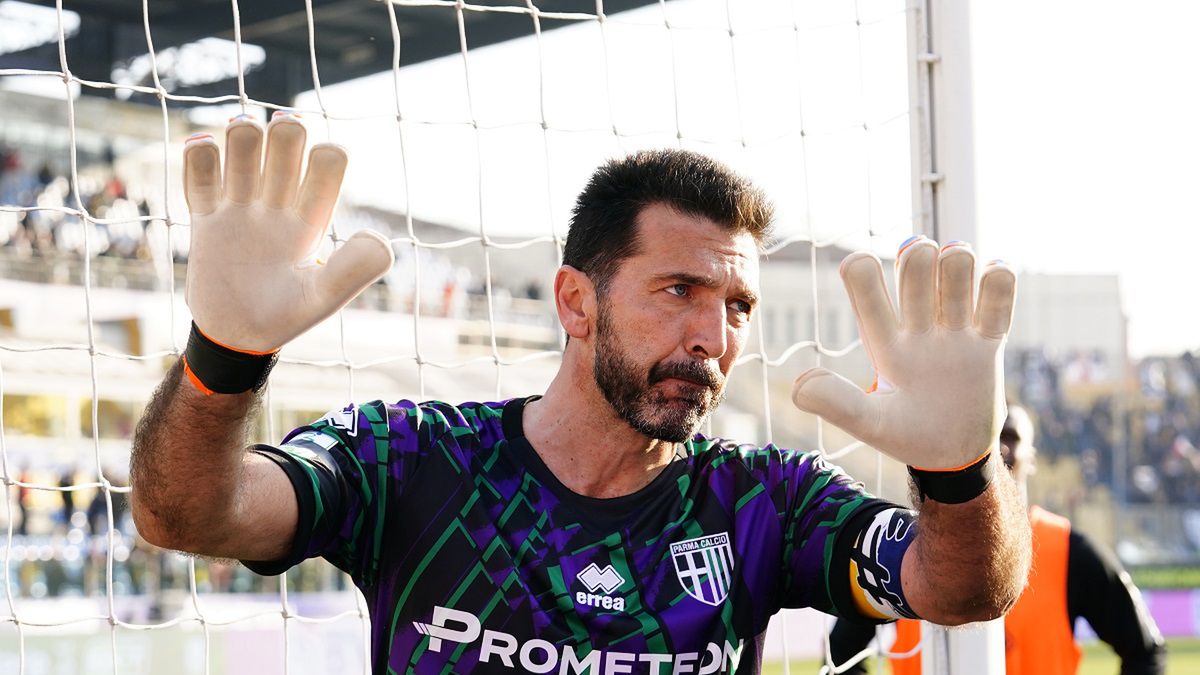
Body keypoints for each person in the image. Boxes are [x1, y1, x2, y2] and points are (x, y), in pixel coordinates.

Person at [130, 114, 1031, 674]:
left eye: (738, 305)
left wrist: (961, 474)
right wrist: (224, 360)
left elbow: (958, 589)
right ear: (575, 301)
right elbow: (187, 515)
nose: (713, 338)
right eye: (679, 290)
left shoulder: (763, 503)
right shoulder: (414, 457)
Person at [827, 405, 1167, 675]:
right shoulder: (900, 546)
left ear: (1031, 458)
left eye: (1011, 435)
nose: (997, 446)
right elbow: (842, 653)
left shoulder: (1070, 552)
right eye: (986, 432)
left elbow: (1146, 652)